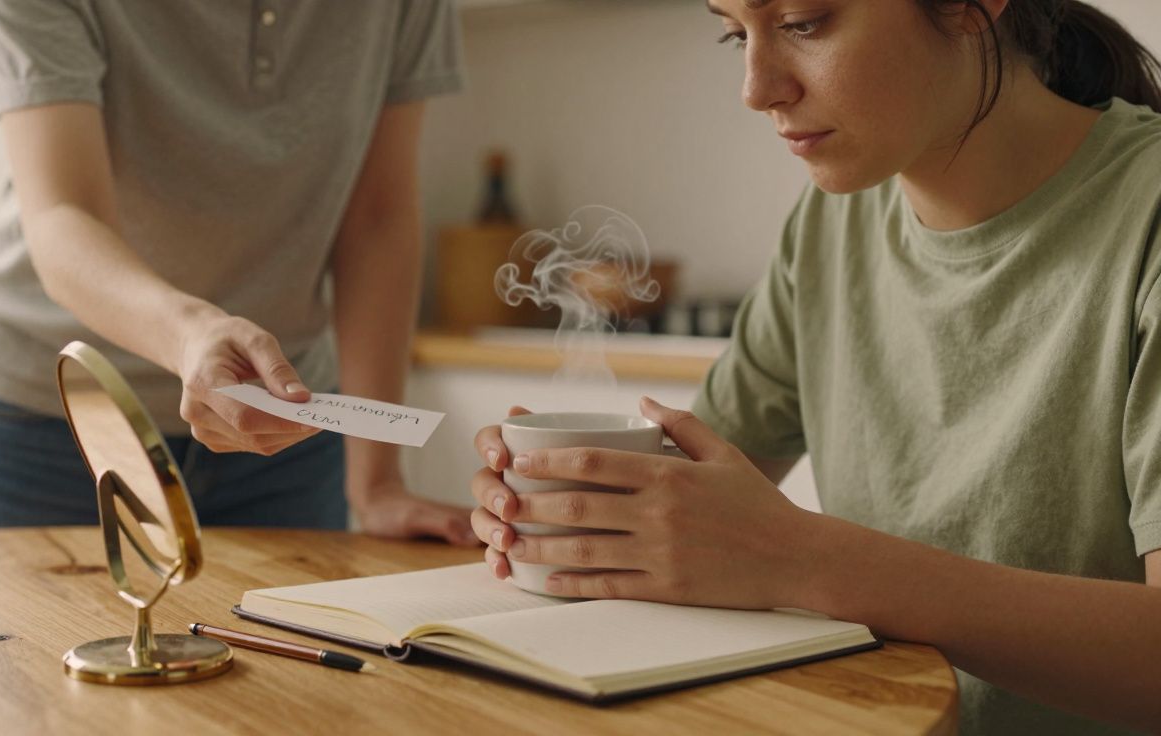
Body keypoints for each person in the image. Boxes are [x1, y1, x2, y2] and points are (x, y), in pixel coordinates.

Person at [469, 0, 1161, 732]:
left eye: (802, 22)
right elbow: (695, 498)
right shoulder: (832, 222)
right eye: (735, 33)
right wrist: (565, 513)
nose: (756, 88)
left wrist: (802, 559)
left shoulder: (1144, 217)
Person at [0, 0, 477, 546]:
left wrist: (377, 482)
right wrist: (192, 332)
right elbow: (62, 213)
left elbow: (378, 219)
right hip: (56, 420)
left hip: (286, 437)